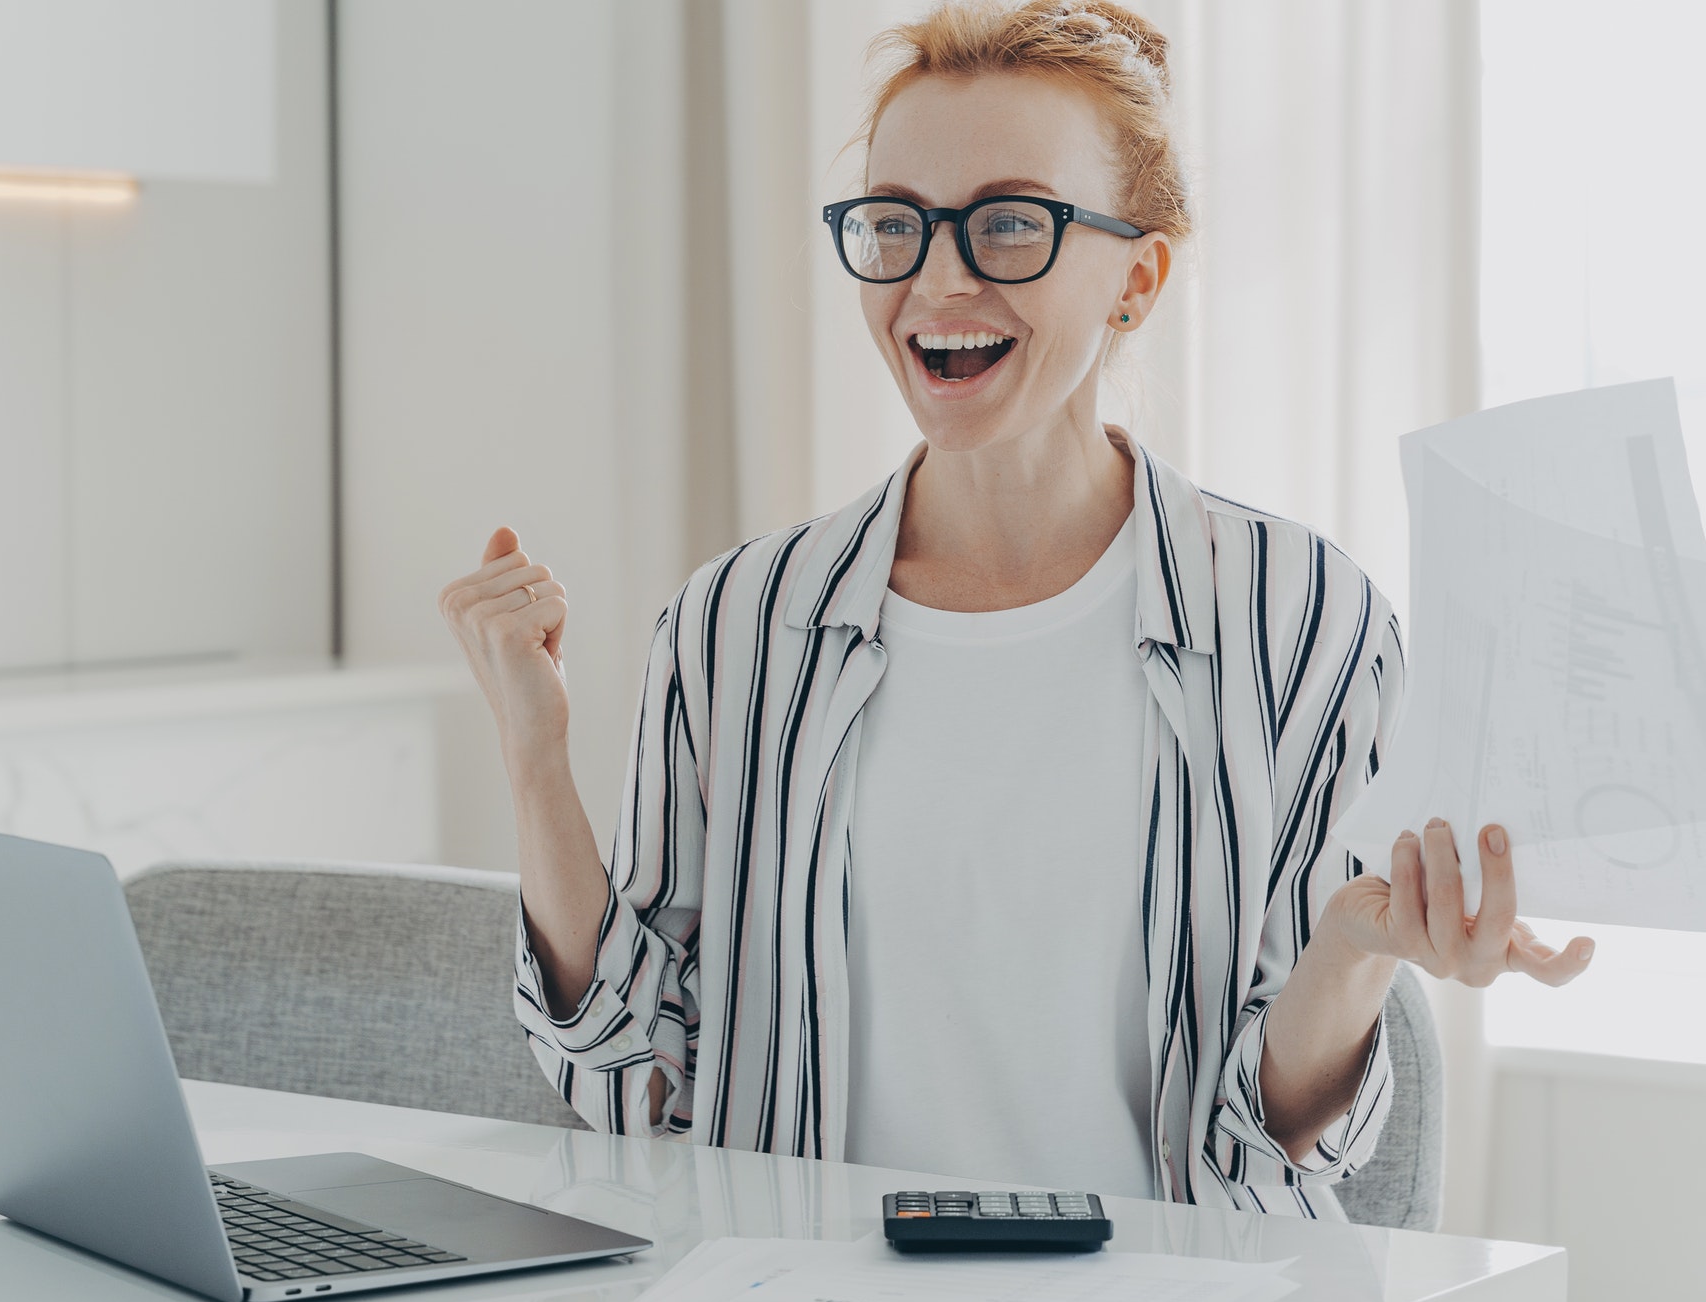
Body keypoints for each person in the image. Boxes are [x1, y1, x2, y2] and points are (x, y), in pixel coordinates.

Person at [438, 0, 1593, 1219]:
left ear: (1135, 280)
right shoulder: (732, 622)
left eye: (1007, 224)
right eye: (895, 224)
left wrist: (1351, 955)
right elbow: (632, 1079)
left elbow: (1278, 1140)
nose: (936, 280)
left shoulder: (1304, 621)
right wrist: (535, 756)